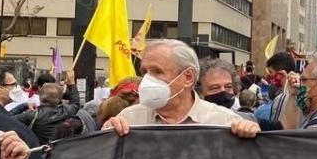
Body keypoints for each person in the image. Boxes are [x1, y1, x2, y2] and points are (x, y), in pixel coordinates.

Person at [102, 40, 259, 138]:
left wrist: (250, 136)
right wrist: (106, 135)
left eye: (157, 71)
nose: (147, 80)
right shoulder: (129, 120)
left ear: (188, 77)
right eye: (145, 72)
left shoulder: (224, 121)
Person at [255, 52, 299, 125]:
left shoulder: (281, 99)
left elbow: (276, 130)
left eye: (270, 72)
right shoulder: (300, 96)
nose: (268, 75)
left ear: (280, 74)